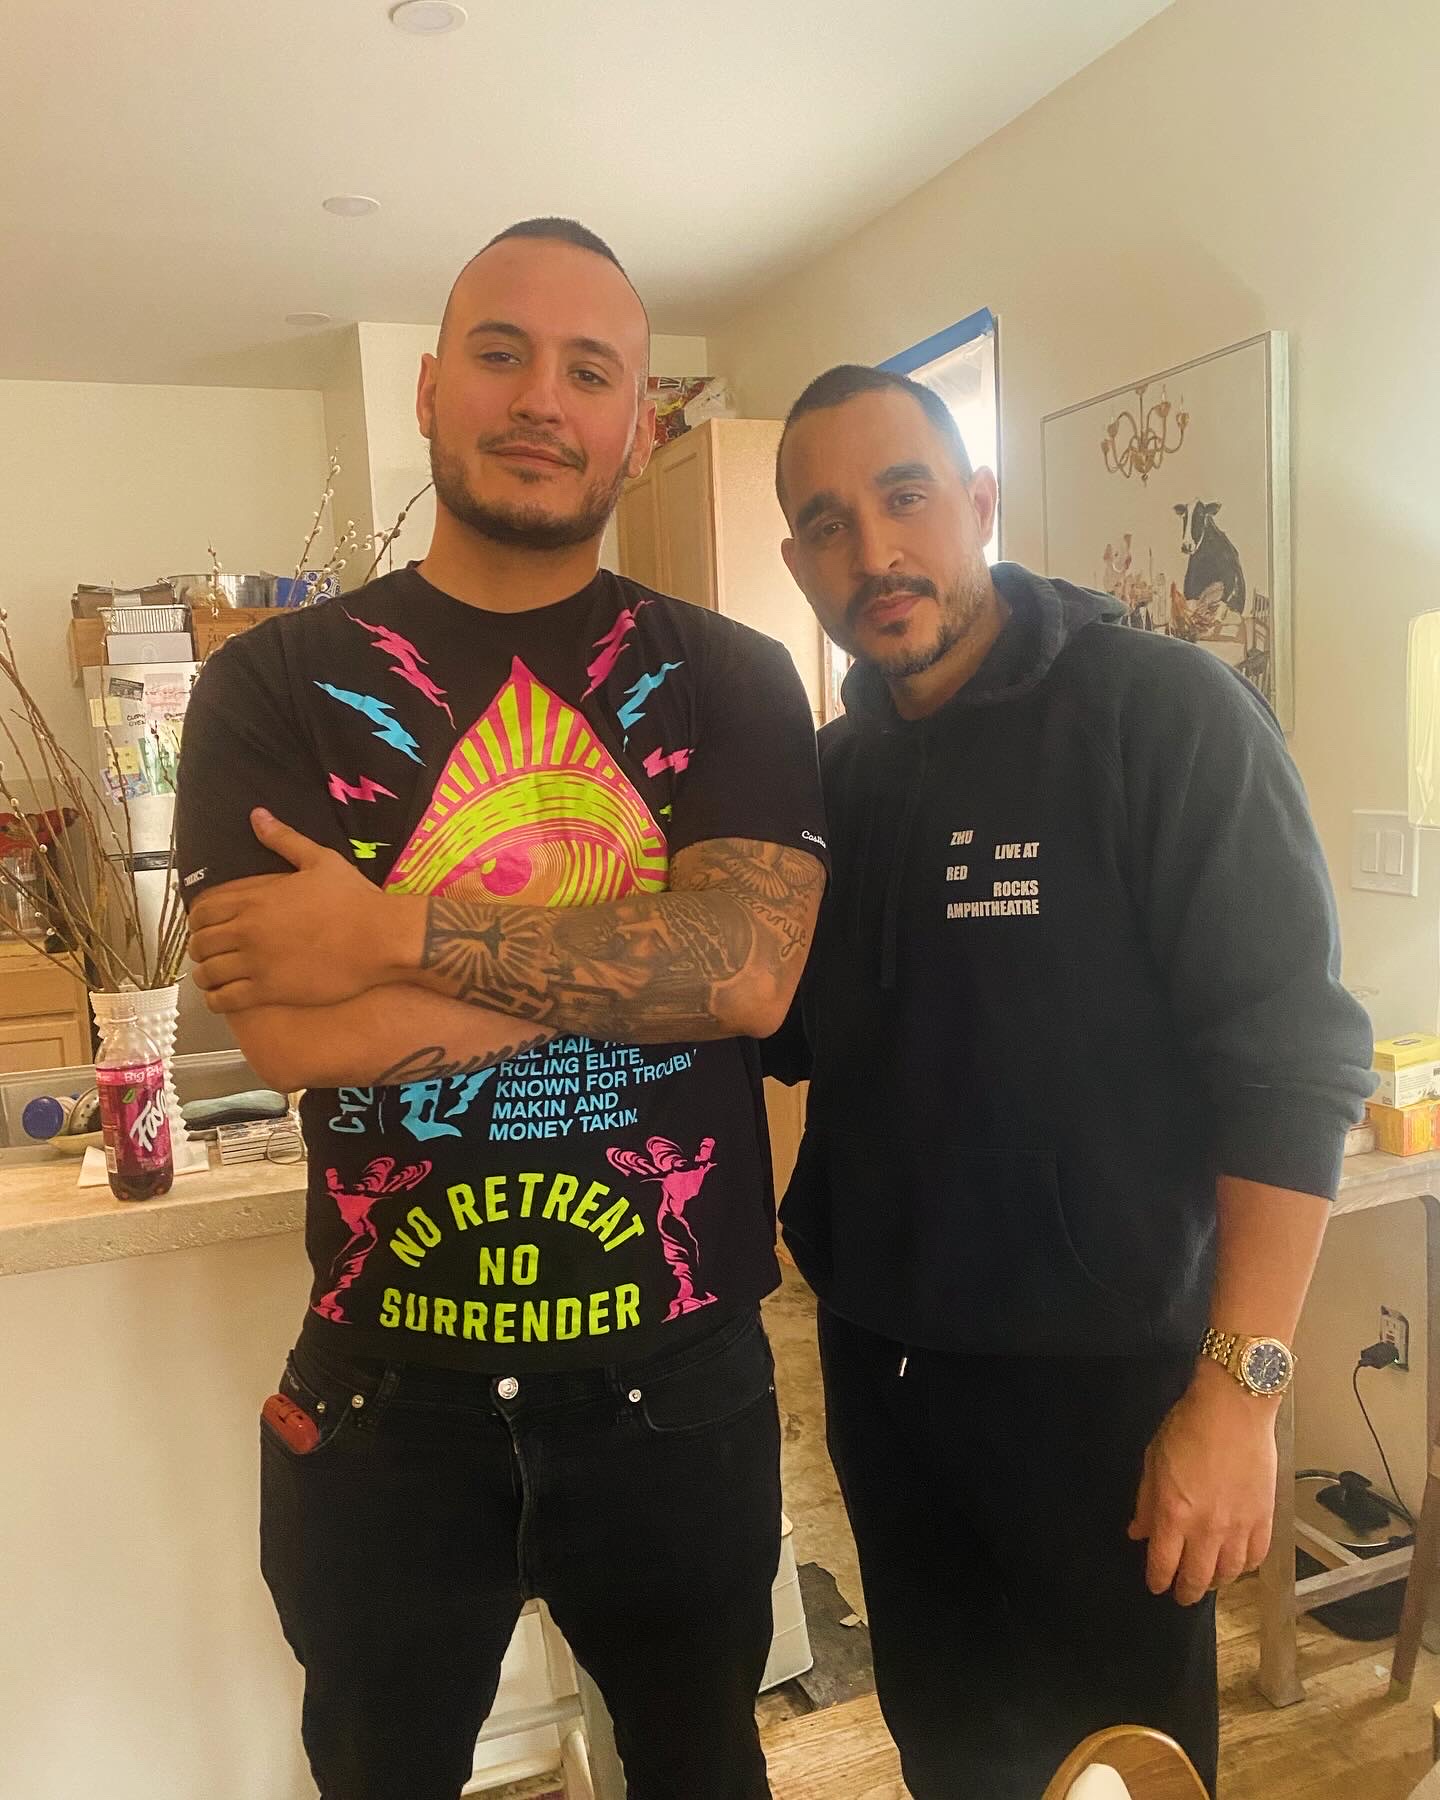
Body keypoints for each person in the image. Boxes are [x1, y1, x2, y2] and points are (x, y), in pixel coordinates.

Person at [175, 218, 827, 1800]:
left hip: (678, 1386)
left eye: (590, 371)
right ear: (428, 390)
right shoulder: (270, 686)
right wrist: (642, 971)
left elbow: (746, 976)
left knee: (701, 1769)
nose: (542, 397)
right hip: (385, 1398)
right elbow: (291, 1037)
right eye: (500, 353)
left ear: (637, 427)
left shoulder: (735, 677)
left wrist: (389, 932)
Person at [765, 363, 1373, 1799]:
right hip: (883, 1383)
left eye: (906, 496)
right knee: (948, 1753)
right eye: (830, 524)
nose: (876, 550)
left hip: (1106, 1400)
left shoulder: (1163, 713)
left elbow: (1294, 1065)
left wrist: (1240, 1399)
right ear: (798, 564)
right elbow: (778, 1034)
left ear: (980, 502)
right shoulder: (829, 781)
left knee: (1119, 1773)